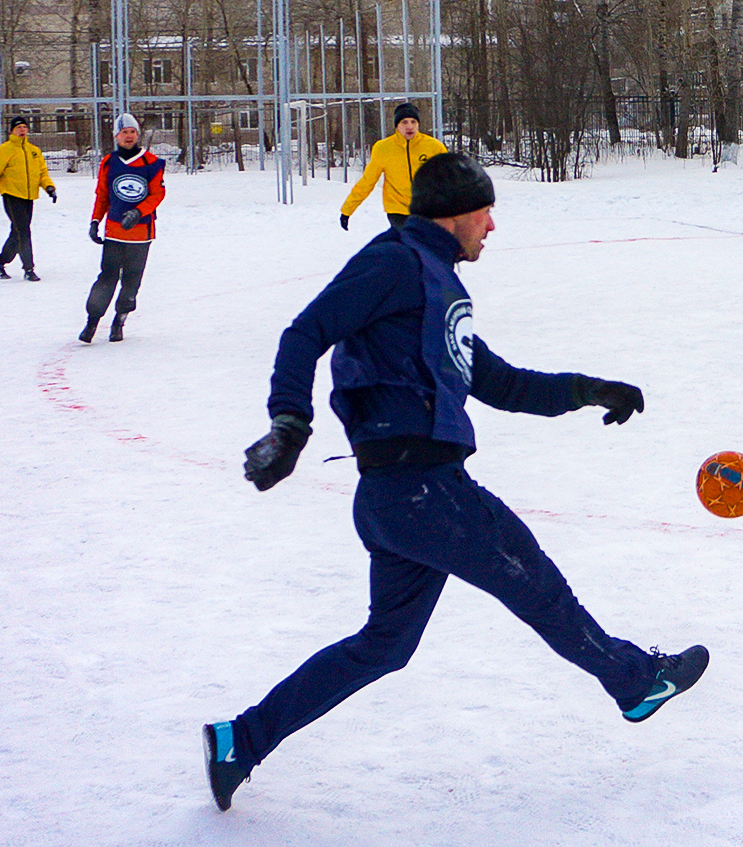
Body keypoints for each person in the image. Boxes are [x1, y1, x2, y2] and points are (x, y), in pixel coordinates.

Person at [206, 153, 708, 812]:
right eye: (485, 211)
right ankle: (636, 682)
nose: (493, 226)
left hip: (398, 499)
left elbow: (497, 383)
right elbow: (306, 332)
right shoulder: (394, 262)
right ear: (455, 215)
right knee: (542, 591)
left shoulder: (439, 283)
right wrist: (289, 425)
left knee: (382, 646)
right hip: (424, 490)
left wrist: (591, 390)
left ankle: (239, 741)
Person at [79, 114, 164, 344]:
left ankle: (119, 321)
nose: (129, 136)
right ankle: (92, 322)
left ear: (138, 135)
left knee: (131, 281)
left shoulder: (152, 163)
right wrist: (95, 221)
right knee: (106, 278)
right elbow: (103, 195)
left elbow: (157, 194)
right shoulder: (109, 162)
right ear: (116, 136)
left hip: (140, 235)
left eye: (132, 132)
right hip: (115, 233)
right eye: (124, 132)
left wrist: (138, 212)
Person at [339, 102, 447, 231]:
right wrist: (347, 210)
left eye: (413, 122)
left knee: (426, 247)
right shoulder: (383, 148)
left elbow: (448, 180)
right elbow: (367, 181)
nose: (410, 126)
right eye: (404, 122)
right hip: (398, 211)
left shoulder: (434, 147)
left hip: (427, 210)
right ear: (397, 125)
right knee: (409, 244)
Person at [0, 115, 56, 281]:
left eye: (24, 127)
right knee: (24, 231)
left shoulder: (33, 151)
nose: (22, 130)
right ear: (12, 130)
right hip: (12, 196)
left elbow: (42, 173)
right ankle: (29, 269)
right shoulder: (3, 151)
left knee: (17, 233)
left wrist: (49, 187)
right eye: (18, 127)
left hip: (29, 196)